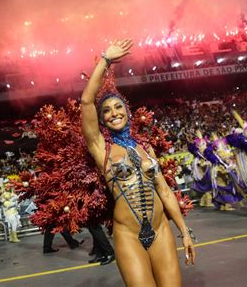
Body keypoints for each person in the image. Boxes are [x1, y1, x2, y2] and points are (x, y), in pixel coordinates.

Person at [81, 39, 195, 286]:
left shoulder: (146, 148)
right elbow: (87, 102)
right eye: (107, 111)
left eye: (118, 107)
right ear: (102, 120)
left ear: (127, 111)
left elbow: (164, 191)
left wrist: (185, 232)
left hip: (161, 230)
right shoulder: (102, 148)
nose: (114, 113)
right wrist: (105, 60)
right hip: (128, 235)